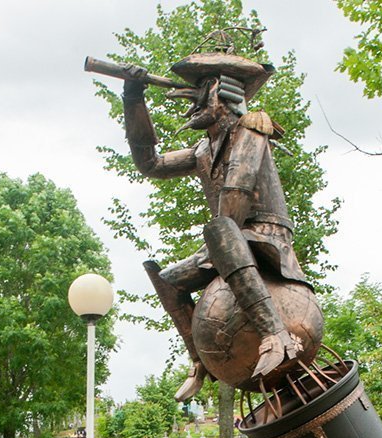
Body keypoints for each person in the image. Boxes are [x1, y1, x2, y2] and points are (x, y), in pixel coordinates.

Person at [121, 48, 313, 400]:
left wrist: (221, 239)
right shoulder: (201, 150)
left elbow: (236, 199)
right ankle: (201, 361)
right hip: (229, 238)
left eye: (202, 90)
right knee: (168, 280)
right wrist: (134, 98)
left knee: (221, 229)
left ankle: (276, 335)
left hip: (264, 233)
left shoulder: (251, 129)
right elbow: (149, 163)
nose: (193, 104)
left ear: (226, 91)